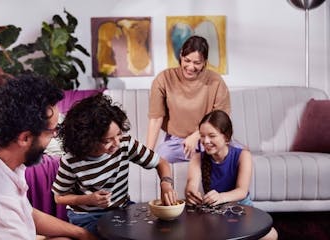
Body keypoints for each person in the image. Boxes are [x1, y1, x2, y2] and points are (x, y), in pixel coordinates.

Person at [0, 74, 96, 240]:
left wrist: (80, 233)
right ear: (25, 138)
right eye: (52, 131)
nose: (55, 135)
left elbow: (24, 212)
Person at [52, 93, 178, 237]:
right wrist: (89, 199)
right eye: (107, 141)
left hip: (122, 209)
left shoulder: (125, 143)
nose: (117, 143)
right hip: (87, 216)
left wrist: (166, 184)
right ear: (87, 140)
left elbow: (161, 163)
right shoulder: (71, 160)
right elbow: (59, 197)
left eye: (119, 134)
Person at [185, 110, 278, 240]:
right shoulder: (197, 158)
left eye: (212, 135)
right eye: (202, 135)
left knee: (271, 235)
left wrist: (221, 197)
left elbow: (242, 191)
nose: (205, 141)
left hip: (241, 209)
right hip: (213, 213)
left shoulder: (243, 155)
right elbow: (191, 184)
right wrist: (190, 194)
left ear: (226, 137)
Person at [146, 35, 230, 163]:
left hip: (208, 138)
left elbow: (221, 120)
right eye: (187, 60)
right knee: (162, 156)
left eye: (197, 63)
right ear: (181, 55)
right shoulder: (164, 79)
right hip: (176, 142)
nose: (191, 67)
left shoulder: (216, 81)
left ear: (205, 63)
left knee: (231, 156)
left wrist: (197, 136)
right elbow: (156, 118)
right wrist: (146, 155)